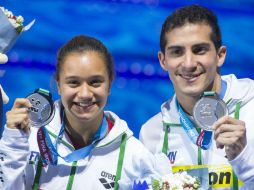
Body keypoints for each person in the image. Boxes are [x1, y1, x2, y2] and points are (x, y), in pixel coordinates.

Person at [0, 35, 170, 190]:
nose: (85, 94)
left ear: (110, 84)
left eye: (95, 82)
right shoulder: (27, 138)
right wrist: (13, 142)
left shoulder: (135, 157)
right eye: (73, 83)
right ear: (58, 85)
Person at [139, 4, 254, 189]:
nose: (189, 63)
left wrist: (244, 159)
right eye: (177, 52)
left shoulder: (251, 106)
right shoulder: (152, 133)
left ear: (220, 55)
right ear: (162, 60)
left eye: (199, 50)